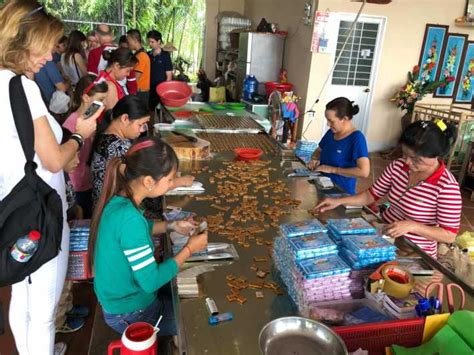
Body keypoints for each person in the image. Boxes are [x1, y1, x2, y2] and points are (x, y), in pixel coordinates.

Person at [0, 1, 103, 354]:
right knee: (43, 312)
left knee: (20, 291)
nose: (49, 57)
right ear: (22, 42)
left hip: (10, 206)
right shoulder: (23, 88)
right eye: (44, 47)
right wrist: (81, 133)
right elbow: (55, 160)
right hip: (40, 208)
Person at [90, 137, 208, 334]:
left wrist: (172, 226)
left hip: (122, 299)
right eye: (170, 179)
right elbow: (151, 281)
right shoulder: (130, 219)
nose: (172, 184)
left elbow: (141, 229)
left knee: (188, 292)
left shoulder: (119, 201)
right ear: (148, 182)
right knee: (199, 320)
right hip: (131, 314)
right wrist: (189, 249)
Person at [315, 120, 462, 259]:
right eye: (405, 155)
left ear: (436, 156)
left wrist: (411, 226)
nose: (408, 162)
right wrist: (339, 201)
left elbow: (449, 235)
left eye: (417, 160)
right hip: (385, 236)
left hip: (414, 250)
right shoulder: (398, 166)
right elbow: (371, 195)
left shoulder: (446, 186)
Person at [63, 75, 109, 218]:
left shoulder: (93, 120)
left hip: (88, 182)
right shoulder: (71, 123)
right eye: (100, 99)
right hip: (75, 185)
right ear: (85, 98)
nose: (104, 104)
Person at [90, 95, 150, 204]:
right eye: (140, 124)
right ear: (125, 119)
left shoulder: (112, 137)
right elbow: (136, 178)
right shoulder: (115, 146)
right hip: (111, 210)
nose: (142, 130)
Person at [307, 97, 370, 195]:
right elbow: (318, 150)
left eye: (331, 121)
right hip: (322, 186)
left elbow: (364, 172)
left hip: (340, 192)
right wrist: (314, 159)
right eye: (327, 120)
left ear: (344, 119)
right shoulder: (331, 133)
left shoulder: (357, 138)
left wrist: (333, 170)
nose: (328, 124)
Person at [87, 24, 137, 96]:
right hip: (122, 95)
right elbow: (132, 82)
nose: (127, 73)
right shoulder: (125, 53)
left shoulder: (94, 53)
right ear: (112, 34)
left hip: (103, 93)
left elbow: (91, 79)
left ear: (97, 36)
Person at [147, 30, 173, 114]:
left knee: (161, 112)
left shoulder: (165, 56)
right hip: (149, 89)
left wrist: (165, 91)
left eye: (152, 42)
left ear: (159, 41)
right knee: (150, 112)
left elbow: (169, 75)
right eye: (149, 42)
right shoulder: (148, 55)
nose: (150, 44)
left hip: (161, 90)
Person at [127, 29, 151, 107]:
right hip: (139, 93)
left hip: (140, 94)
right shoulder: (138, 55)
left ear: (135, 40)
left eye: (128, 41)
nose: (128, 44)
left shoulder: (142, 56)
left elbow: (135, 78)